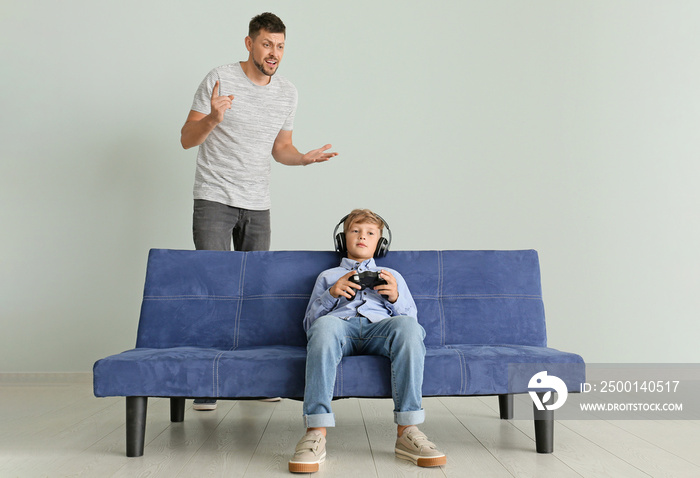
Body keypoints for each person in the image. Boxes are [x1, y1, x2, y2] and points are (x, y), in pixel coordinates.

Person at [180, 12, 337, 411]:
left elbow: (280, 148)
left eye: (280, 46)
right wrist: (213, 118)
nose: (274, 53)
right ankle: (208, 382)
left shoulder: (287, 92)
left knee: (254, 293)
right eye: (267, 44)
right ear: (249, 44)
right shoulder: (219, 78)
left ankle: (254, 379)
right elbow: (186, 138)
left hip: (258, 202)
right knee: (215, 289)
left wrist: (303, 159)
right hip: (215, 196)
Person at [288, 209, 446, 473]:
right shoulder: (327, 277)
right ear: (342, 239)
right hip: (341, 327)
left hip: (380, 329)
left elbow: (412, 323)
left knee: (408, 328)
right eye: (355, 231)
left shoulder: (392, 275)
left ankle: (408, 430)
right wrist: (331, 294)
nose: (362, 237)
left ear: (380, 243)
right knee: (325, 326)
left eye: (370, 233)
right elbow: (310, 327)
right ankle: (315, 432)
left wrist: (394, 297)